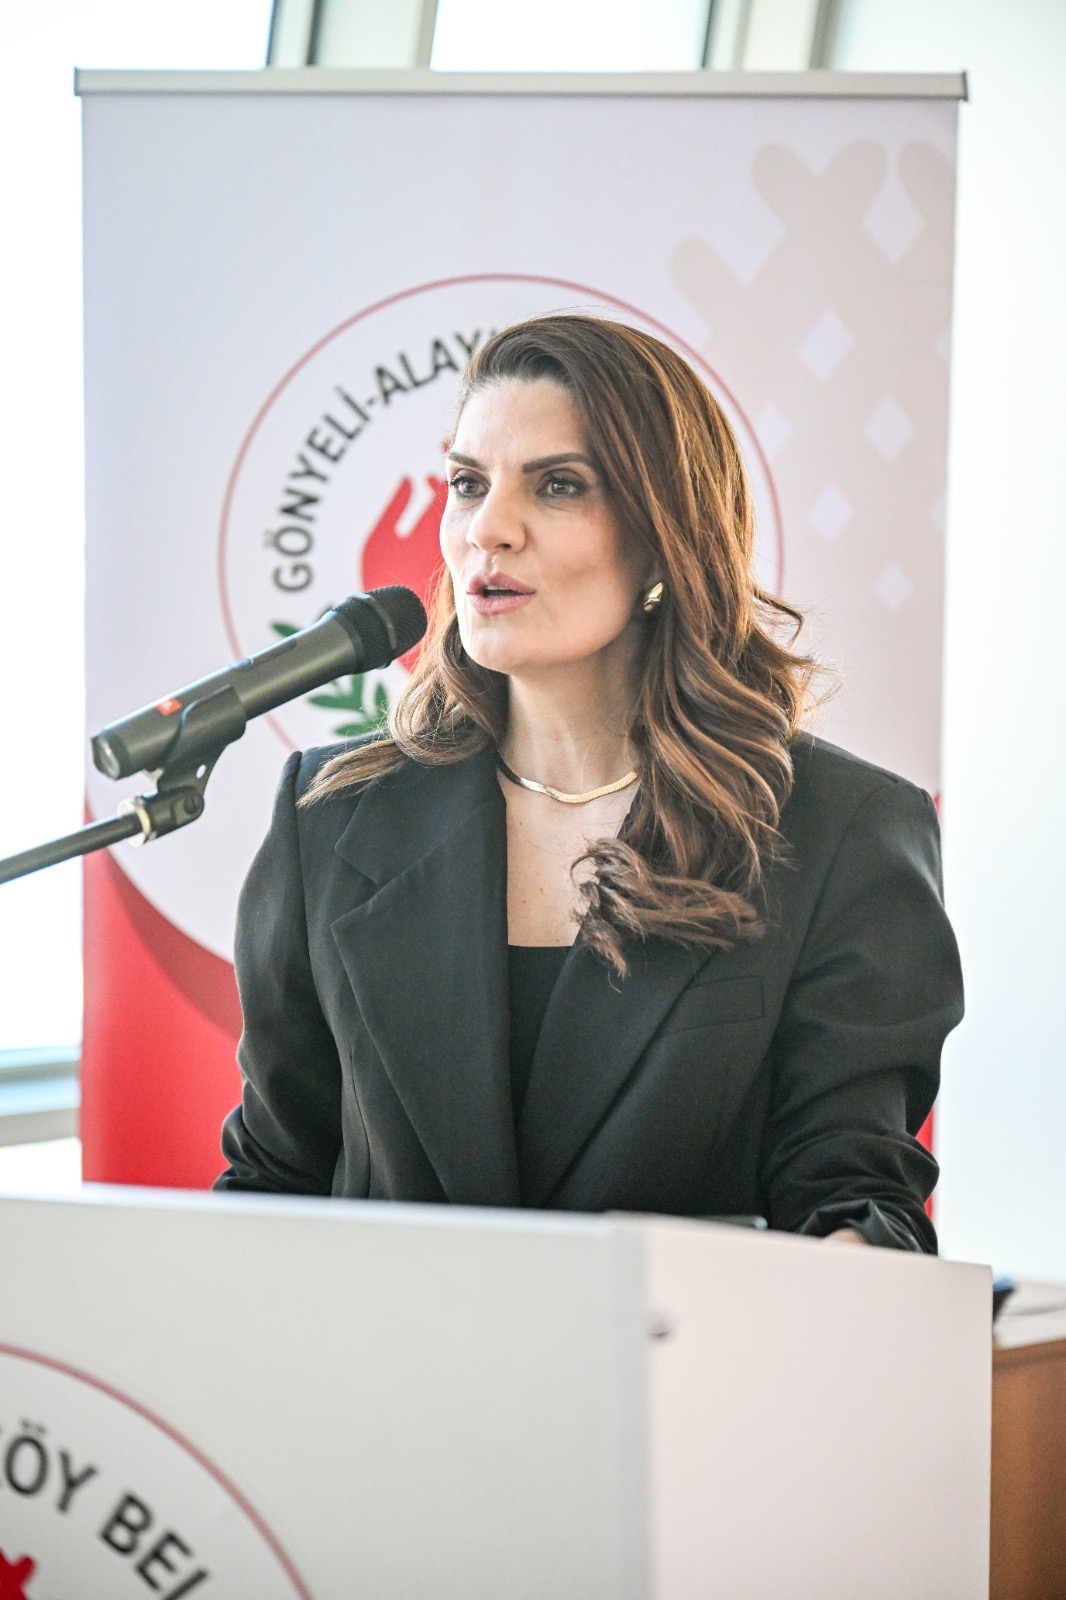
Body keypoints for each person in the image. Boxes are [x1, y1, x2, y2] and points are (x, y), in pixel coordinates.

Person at [216, 313, 963, 1253]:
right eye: (467, 484)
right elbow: (273, 1183)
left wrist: (848, 1253)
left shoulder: (843, 831)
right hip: (380, 1353)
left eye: (558, 486)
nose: (488, 529)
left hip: (688, 1352)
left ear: (663, 538)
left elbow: (854, 1193)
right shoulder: (328, 818)